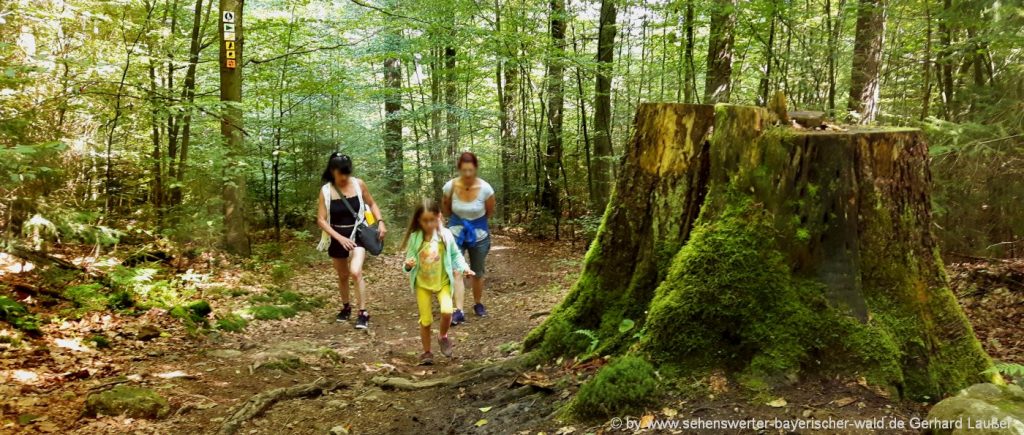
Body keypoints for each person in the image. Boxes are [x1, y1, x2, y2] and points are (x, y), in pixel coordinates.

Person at [316, 152, 387, 330]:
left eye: (347, 173)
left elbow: (372, 203)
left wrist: (380, 222)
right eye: (341, 173)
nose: (344, 177)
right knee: (343, 276)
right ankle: (346, 306)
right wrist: (339, 238)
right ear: (332, 171)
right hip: (337, 235)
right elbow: (321, 220)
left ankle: (363, 312)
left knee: (355, 271)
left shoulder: (358, 184)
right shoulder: (326, 191)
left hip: (358, 233)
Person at [401, 199, 474, 365]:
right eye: (425, 221)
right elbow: (408, 262)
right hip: (422, 284)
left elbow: (455, 255)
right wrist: (407, 266)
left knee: (447, 311)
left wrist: (465, 268)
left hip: (442, 282)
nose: (429, 224)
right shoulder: (415, 238)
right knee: (425, 320)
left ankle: (443, 336)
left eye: (432, 220)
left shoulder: (445, 236)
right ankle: (427, 352)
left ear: (439, 217)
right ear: (418, 221)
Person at [442, 151, 496, 324]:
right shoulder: (449, 187)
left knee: (477, 272)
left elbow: (489, 212)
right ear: (459, 169)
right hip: (455, 233)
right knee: (456, 270)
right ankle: (458, 310)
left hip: (479, 234)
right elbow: (447, 208)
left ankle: (478, 303)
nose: (467, 174)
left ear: (476, 169)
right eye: (464, 170)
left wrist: (473, 225)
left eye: (470, 170)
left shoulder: (486, 189)